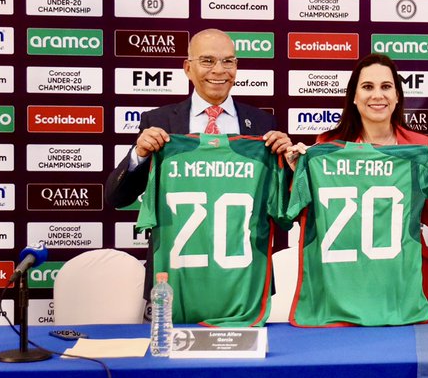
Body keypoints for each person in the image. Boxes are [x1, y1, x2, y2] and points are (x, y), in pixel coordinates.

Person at [104, 28, 295, 296]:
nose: (219, 70)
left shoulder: (262, 125)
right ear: (187, 68)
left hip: (245, 277)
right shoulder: (158, 121)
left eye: (228, 61)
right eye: (207, 60)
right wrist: (139, 155)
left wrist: (289, 167)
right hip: (173, 278)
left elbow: (286, 205)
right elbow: (116, 197)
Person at [289, 53, 428, 301]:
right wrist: (298, 175)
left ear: (397, 96)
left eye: (386, 87)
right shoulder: (329, 146)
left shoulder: (422, 146)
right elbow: (312, 216)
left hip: (404, 276)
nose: (378, 95)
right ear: (354, 97)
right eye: (368, 87)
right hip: (344, 277)